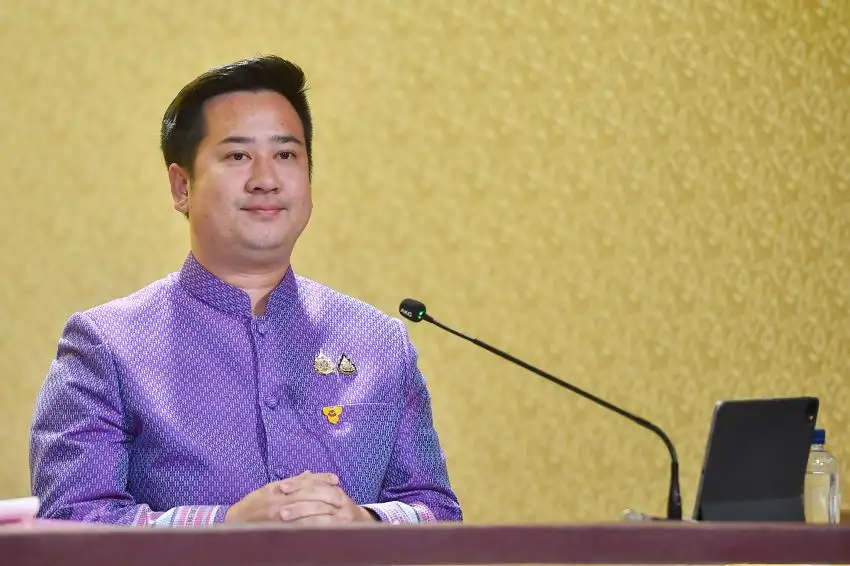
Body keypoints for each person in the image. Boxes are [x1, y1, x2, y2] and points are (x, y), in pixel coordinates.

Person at [29, 55, 462, 526]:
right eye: (237, 156)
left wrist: (367, 525)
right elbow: (72, 523)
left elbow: (437, 511)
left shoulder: (379, 340)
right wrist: (224, 528)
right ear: (181, 186)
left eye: (286, 155)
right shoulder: (106, 345)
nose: (266, 180)